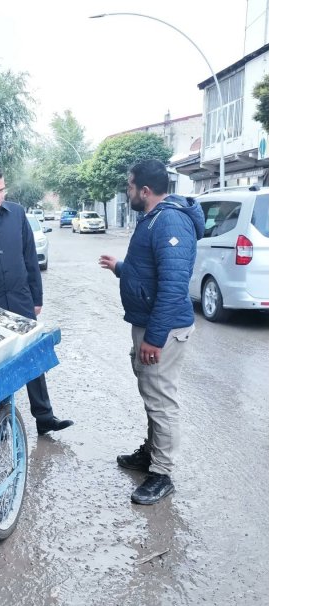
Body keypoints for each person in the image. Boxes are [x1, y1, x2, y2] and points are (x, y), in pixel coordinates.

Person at [98, 159, 203, 505]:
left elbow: (173, 287)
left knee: (161, 400)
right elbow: (150, 273)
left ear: (144, 190)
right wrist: (121, 268)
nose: (127, 192)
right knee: (152, 396)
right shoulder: (154, 218)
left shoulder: (169, 220)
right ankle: (151, 453)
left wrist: (155, 339)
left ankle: (161, 473)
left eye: (129, 186)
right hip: (151, 323)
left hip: (165, 329)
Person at [0, 164, 74, 436]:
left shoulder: (17, 214)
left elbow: (30, 258)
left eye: (2, 190)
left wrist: (36, 297)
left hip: (20, 298)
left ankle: (45, 418)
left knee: (32, 358)